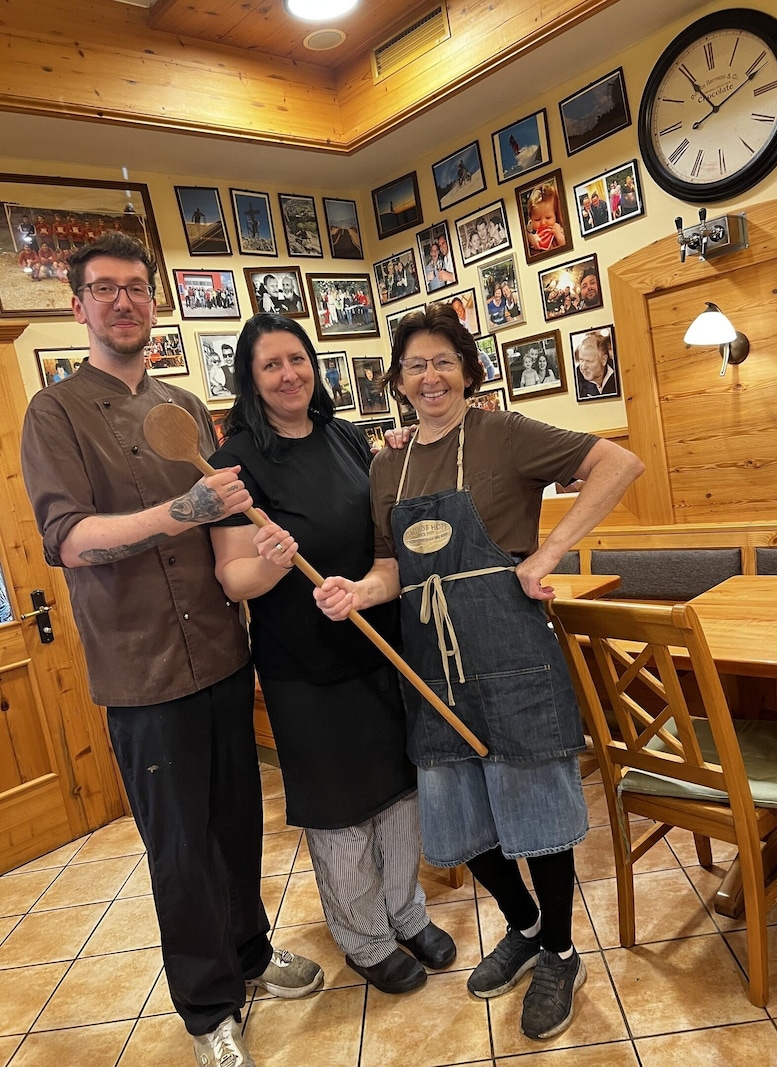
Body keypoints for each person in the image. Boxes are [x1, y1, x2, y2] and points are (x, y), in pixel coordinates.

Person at [20, 233, 323, 1067]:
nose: (124, 301)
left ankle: (252, 956)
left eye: (137, 289)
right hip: (142, 676)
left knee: (236, 826)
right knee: (180, 849)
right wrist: (177, 511)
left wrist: (259, 549)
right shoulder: (54, 412)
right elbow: (71, 540)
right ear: (79, 306)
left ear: (153, 303)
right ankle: (207, 1005)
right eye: (105, 289)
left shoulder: (185, 407)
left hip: (224, 655)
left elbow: (223, 530)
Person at [314, 304, 643, 1042]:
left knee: (536, 811)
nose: (430, 376)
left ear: (468, 369)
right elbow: (390, 566)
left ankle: (560, 950)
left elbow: (618, 463)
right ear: (397, 381)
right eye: (415, 366)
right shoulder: (387, 462)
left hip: (511, 653)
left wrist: (549, 552)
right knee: (463, 814)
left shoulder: (502, 433)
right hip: (430, 663)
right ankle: (524, 926)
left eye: (443, 361)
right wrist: (357, 592)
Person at [206, 313, 455, 996]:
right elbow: (233, 578)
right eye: (270, 365)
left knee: (399, 793)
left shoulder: (345, 436)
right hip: (304, 668)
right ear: (250, 379)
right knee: (341, 811)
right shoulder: (237, 461)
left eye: (297, 358)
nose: (289, 374)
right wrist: (275, 562)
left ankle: (406, 913)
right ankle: (365, 936)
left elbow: (378, 517)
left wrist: (398, 448)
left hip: (378, 645)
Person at [574, 330, 618, 398]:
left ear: (604, 360)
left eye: (589, 361)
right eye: (581, 360)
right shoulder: (576, 381)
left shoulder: (618, 372)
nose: (583, 367)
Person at [525, 184, 566, 254]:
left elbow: (567, 248)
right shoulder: (531, 233)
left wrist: (559, 236)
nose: (543, 223)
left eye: (548, 217)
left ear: (555, 215)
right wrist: (530, 238)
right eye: (537, 219)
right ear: (531, 219)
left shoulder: (559, 230)